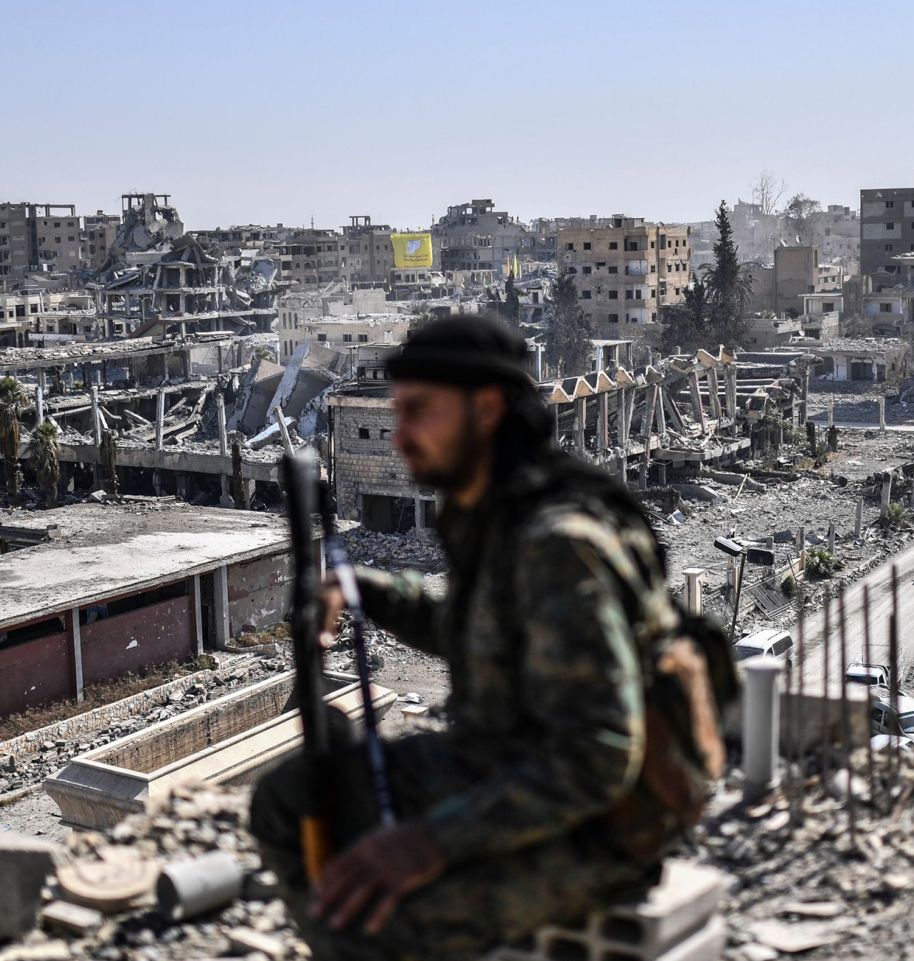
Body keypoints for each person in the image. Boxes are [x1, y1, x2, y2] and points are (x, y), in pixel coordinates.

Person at [250, 314, 690, 961]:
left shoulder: (558, 545)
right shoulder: (493, 514)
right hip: (500, 762)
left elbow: (597, 756)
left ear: (486, 410)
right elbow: (476, 634)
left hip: (592, 827)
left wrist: (429, 842)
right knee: (291, 797)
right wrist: (365, 589)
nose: (399, 437)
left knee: (374, 910)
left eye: (419, 412)